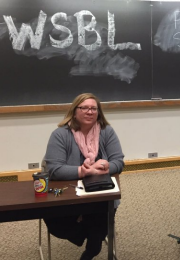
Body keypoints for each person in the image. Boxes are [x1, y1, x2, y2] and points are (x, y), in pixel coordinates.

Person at [43, 93, 124, 260]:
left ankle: (91, 251)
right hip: (67, 192)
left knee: (100, 220)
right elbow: (54, 169)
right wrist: (83, 171)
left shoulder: (106, 131)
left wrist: (106, 167)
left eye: (94, 108)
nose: (90, 112)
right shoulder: (60, 134)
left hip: (98, 191)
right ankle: (87, 233)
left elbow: (119, 162)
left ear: (99, 112)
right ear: (74, 112)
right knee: (57, 224)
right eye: (84, 108)